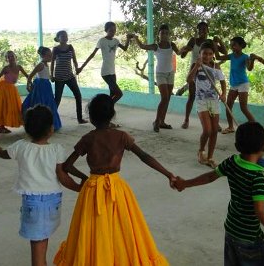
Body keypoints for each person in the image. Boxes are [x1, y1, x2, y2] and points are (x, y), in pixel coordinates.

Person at [53, 94, 175, 265]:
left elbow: (67, 166)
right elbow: (145, 157)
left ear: (91, 117)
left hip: (92, 190)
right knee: (121, 228)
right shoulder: (121, 136)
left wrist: (84, 178)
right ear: (112, 115)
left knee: (94, 230)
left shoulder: (88, 139)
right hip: (117, 189)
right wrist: (168, 174)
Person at [174, 121, 264, 266]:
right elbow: (260, 212)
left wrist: (185, 183)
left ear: (237, 146)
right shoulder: (257, 178)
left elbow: (209, 177)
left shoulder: (232, 162)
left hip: (231, 229)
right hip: (250, 237)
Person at [0, 105, 80, 266]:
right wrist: (80, 188)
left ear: (27, 129)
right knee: (43, 239)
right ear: (51, 129)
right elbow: (63, 176)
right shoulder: (57, 150)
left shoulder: (20, 146)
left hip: (32, 204)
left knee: (38, 243)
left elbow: (1, 153)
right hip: (52, 203)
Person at [179, 21, 227, 129]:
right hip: (195, 69)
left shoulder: (210, 42)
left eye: (204, 29)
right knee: (191, 96)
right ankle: (186, 119)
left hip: (208, 69)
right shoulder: (193, 40)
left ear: (208, 30)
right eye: (200, 29)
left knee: (210, 94)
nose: (202, 31)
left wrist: (219, 41)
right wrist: (184, 50)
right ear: (198, 31)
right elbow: (182, 55)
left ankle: (215, 121)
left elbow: (224, 52)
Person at [187, 41, 226, 168]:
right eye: (205, 54)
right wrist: (196, 66)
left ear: (213, 54)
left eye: (210, 54)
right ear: (200, 54)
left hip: (214, 100)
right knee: (207, 130)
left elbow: (222, 81)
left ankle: (210, 157)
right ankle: (201, 150)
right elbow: (188, 79)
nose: (207, 56)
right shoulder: (196, 65)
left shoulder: (216, 67)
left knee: (214, 131)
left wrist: (224, 94)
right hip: (201, 100)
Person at [134, 24, 180, 132]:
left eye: (166, 33)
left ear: (169, 35)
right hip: (160, 74)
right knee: (164, 98)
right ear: (158, 34)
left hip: (170, 73)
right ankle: (156, 121)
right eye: (162, 33)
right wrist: (136, 38)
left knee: (167, 99)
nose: (164, 35)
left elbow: (179, 53)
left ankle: (162, 122)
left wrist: (186, 49)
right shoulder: (156, 46)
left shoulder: (172, 45)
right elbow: (142, 46)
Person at [80, 22, 132, 106]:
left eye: (114, 30)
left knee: (113, 94)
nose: (113, 32)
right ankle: (105, 108)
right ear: (106, 30)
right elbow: (92, 54)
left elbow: (125, 48)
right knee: (119, 94)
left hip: (112, 72)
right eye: (111, 30)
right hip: (105, 72)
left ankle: (108, 113)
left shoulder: (115, 41)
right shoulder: (102, 41)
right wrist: (81, 67)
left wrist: (128, 39)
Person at [214, 36, 256, 134]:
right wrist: (216, 45)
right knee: (228, 105)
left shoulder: (245, 57)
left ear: (241, 46)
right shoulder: (231, 56)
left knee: (243, 107)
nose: (232, 47)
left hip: (243, 84)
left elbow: (249, 68)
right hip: (234, 84)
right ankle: (231, 127)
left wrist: (252, 60)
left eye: (234, 45)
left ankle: (254, 127)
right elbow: (218, 57)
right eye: (231, 45)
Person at [51, 30, 88, 124]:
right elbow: (52, 63)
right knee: (57, 99)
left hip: (70, 76)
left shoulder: (70, 47)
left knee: (78, 96)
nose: (64, 37)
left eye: (66, 36)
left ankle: (80, 119)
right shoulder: (56, 49)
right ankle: (50, 120)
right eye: (62, 36)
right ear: (58, 38)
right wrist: (52, 75)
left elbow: (74, 60)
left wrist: (77, 68)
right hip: (59, 77)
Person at [22, 46, 62, 131]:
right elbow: (30, 76)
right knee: (40, 103)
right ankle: (39, 125)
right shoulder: (40, 65)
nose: (51, 57)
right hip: (40, 86)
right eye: (49, 55)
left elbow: (45, 75)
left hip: (46, 86)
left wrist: (51, 77)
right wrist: (28, 85)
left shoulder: (46, 64)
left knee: (49, 104)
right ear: (43, 56)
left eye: (51, 55)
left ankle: (49, 125)